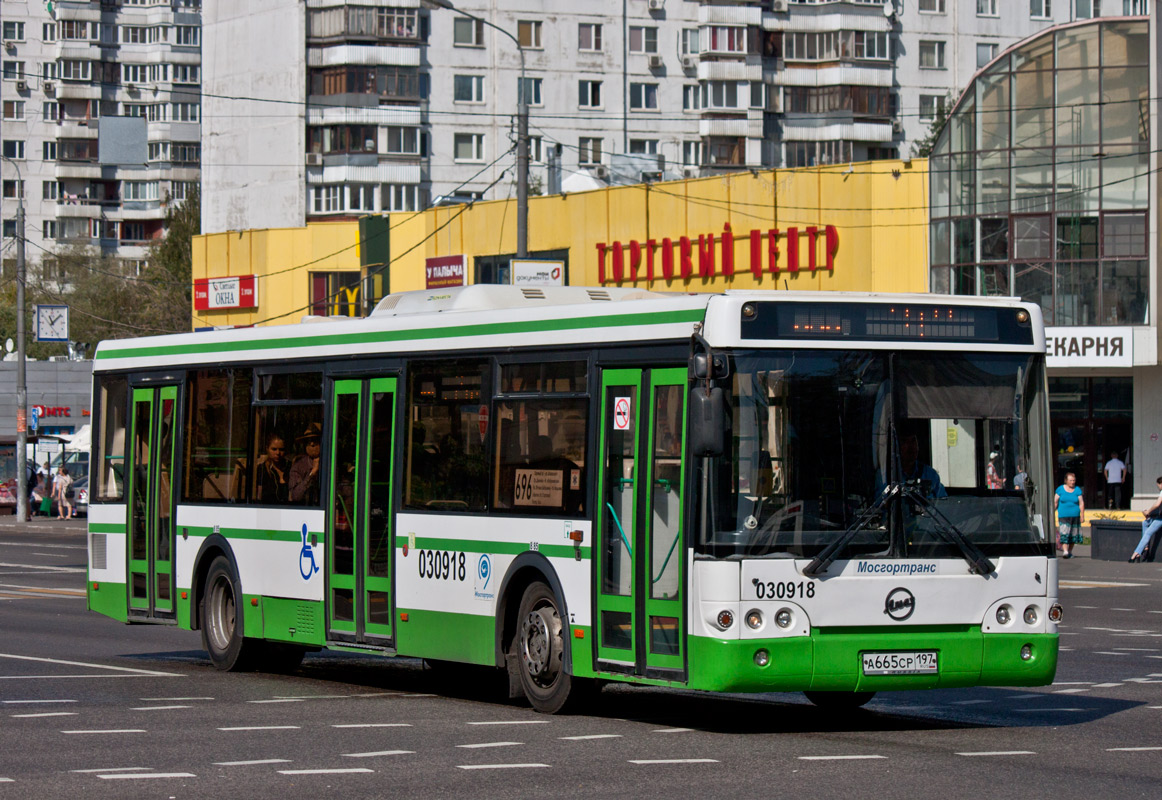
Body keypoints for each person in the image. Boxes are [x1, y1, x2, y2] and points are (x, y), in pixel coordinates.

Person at [899, 433, 947, 499]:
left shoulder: (931, 474)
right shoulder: (886, 476)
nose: (910, 447)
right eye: (905, 442)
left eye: (913, 441)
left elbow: (943, 503)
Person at [1129, 476, 1162, 563]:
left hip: (1161, 519)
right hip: (1159, 517)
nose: (1158, 487)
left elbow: (1157, 504)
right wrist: (1150, 514)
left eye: (1158, 485)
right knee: (1146, 523)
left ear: (1161, 484)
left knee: (1148, 533)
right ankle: (1146, 546)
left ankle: (1136, 553)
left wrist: (1148, 512)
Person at [289, 423, 323, 505]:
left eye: (315, 440)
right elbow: (296, 496)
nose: (312, 444)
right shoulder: (298, 465)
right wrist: (312, 474)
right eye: (308, 441)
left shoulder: (332, 463)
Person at [1054, 472, 1085, 558]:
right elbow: (1055, 502)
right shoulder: (1060, 489)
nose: (1072, 482)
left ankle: (1070, 551)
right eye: (1070, 480)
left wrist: (1082, 515)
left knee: (1073, 534)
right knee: (1064, 533)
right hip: (1063, 516)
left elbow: (1081, 503)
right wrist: (1052, 511)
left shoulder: (1077, 490)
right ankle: (1065, 551)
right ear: (1066, 480)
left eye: (1074, 480)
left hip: (1075, 516)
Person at [255, 433, 289, 504]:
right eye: (274, 449)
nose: (278, 453)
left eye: (281, 449)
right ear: (267, 449)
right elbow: (258, 497)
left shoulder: (291, 467)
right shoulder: (262, 469)